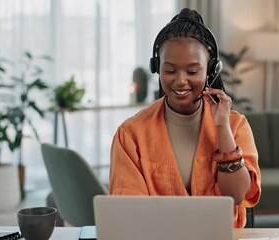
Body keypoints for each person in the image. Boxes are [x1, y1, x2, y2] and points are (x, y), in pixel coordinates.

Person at [110, 8, 261, 228]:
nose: (180, 81)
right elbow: (130, 213)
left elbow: (237, 195)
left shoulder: (236, 125)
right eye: (170, 70)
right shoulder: (131, 134)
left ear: (210, 71)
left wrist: (222, 128)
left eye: (192, 71)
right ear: (157, 68)